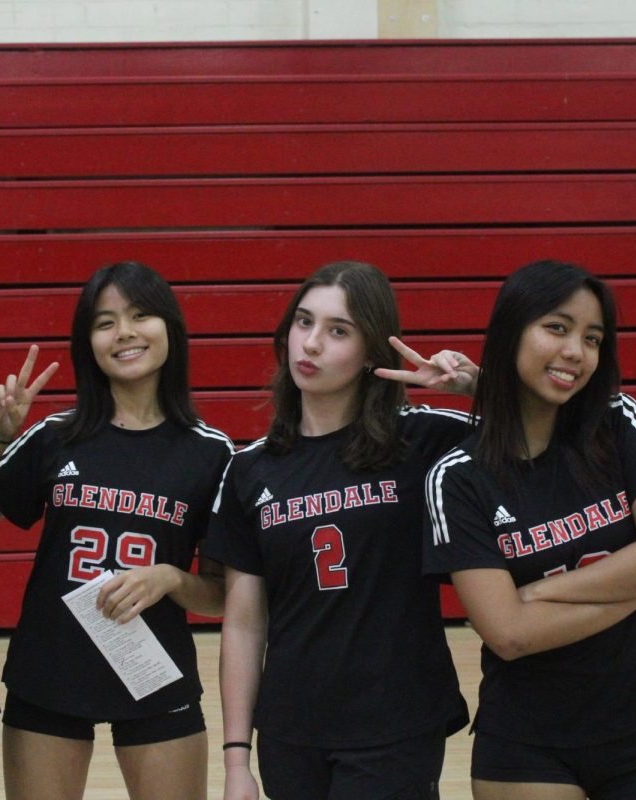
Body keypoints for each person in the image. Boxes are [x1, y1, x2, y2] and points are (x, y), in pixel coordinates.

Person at [423, 259, 636, 800]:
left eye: (593, 338)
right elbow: (509, 634)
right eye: (557, 327)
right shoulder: (456, 478)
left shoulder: (617, 421)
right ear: (511, 331)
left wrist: (542, 592)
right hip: (525, 744)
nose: (576, 351)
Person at [204, 260, 479, 800]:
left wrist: (476, 387)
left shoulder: (423, 440)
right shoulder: (250, 468)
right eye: (303, 323)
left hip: (395, 724)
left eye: (337, 331)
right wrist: (237, 758)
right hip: (289, 731)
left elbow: (542, 434)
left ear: (373, 351)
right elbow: (242, 622)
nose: (310, 344)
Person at [0, 261, 234, 800]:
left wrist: (169, 579)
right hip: (50, 669)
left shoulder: (213, 454)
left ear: (169, 329)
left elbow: (225, 595)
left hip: (154, 672)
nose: (125, 333)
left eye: (140, 315)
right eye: (105, 321)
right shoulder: (53, 437)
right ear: (87, 342)